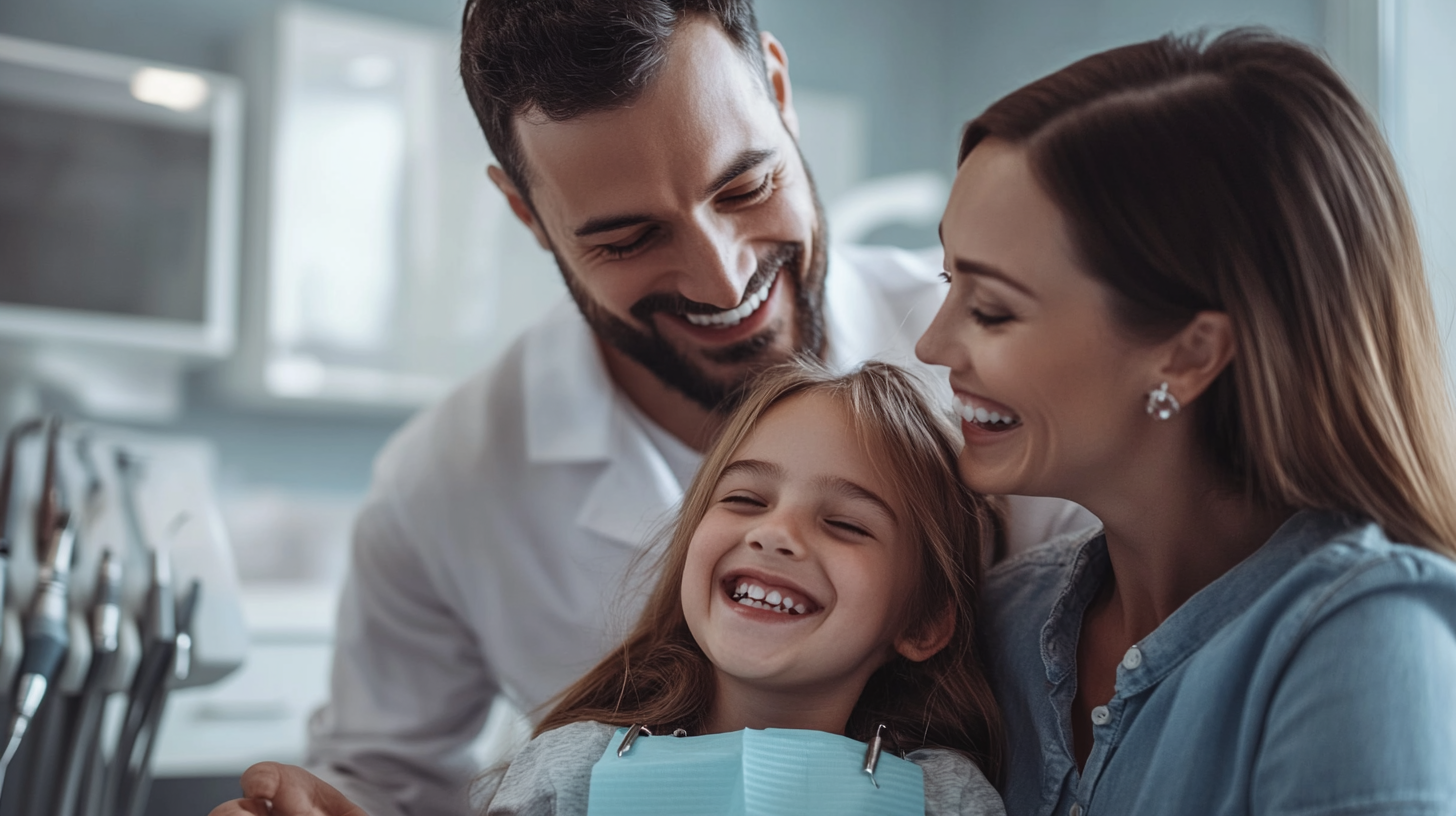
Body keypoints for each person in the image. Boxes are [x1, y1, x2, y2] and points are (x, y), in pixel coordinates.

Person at [304, 2, 1094, 815]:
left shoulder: (1008, 361)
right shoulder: (442, 486)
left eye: (745, 186)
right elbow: (381, 781)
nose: (723, 283)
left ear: (780, 91)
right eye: (628, 240)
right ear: (528, 215)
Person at [916, 28, 1456, 816]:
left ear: (1190, 354)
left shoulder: (1367, 644)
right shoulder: (998, 622)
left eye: (992, 311)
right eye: (946, 278)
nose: (933, 343)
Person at [214, 360, 1008, 816]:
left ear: (926, 622)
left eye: (846, 524)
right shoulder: (571, 771)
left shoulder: (945, 799)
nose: (775, 533)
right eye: (744, 499)